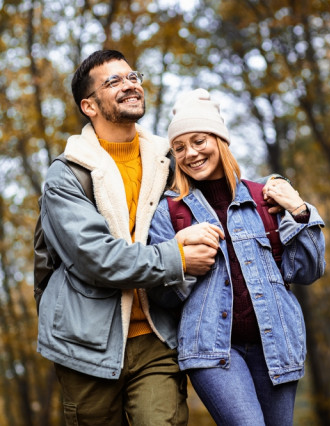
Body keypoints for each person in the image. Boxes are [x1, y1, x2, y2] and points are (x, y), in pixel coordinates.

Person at [36, 51, 224, 425]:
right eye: (114, 82)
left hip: (158, 335)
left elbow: (224, 194)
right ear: (89, 105)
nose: (130, 85)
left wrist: (279, 192)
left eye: (132, 76)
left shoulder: (168, 160)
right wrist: (179, 259)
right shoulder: (66, 176)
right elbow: (97, 259)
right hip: (86, 343)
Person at [147, 88, 326, 426]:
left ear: (219, 140)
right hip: (213, 352)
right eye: (180, 147)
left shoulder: (265, 198)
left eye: (199, 141)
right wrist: (184, 260)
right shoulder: (169, 212)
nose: (191, 154)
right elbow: (162, 296)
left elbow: (307, 270)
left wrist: (301, 211)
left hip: (276, 345)